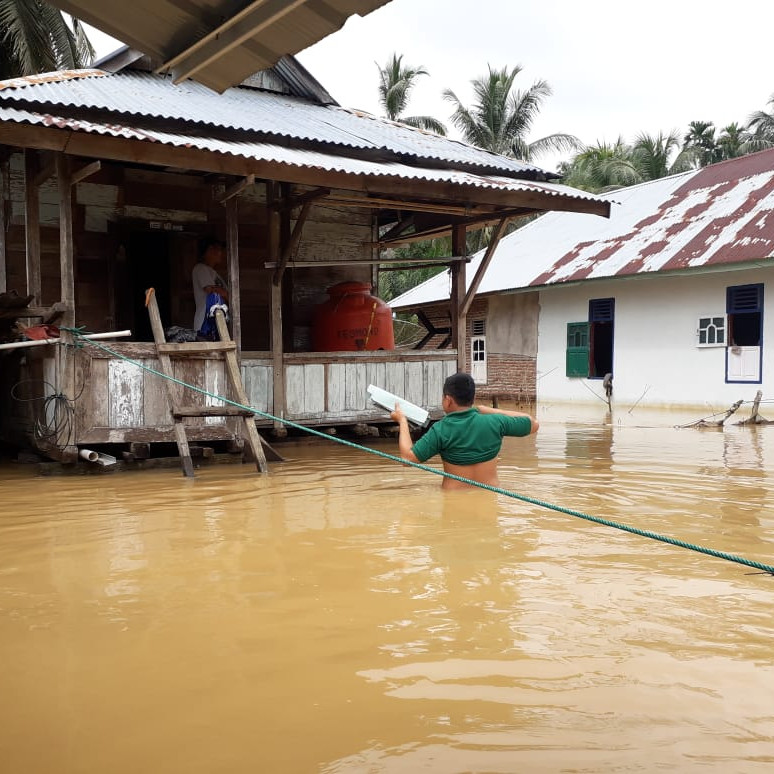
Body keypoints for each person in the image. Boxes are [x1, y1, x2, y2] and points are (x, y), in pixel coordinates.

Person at [391, 372, 538, 490]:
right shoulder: (495, 422)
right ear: (473, 397)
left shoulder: (441, 429)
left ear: (448, 400)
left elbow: (407, 459)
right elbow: (533, 424)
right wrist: (489, 410)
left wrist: (402, 421)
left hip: (453, 501)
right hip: (489, 499)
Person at [192, 237, 229, 333]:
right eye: (218, 249)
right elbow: (211, 290)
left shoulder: (213, 273)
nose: (220, 253)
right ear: (209, 250)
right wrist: (228, 295)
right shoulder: (200, 268)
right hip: (205, 324)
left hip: (216, 323)